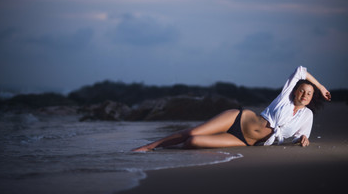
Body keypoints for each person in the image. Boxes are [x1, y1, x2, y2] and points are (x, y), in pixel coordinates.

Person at [132, 66, 331, 152]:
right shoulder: (285, 98)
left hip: (246, 141)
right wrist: (320, 86)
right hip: (239, 118)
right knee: (192, 131)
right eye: (303, 90)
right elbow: (300, 70)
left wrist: (303, 140)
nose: (306, 95)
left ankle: (164, 150)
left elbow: (299, 136)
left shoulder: (307, 115)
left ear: (311, 99)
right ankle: (149, 147)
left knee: (194, 142)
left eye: (310, 93)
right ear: (295, 91)